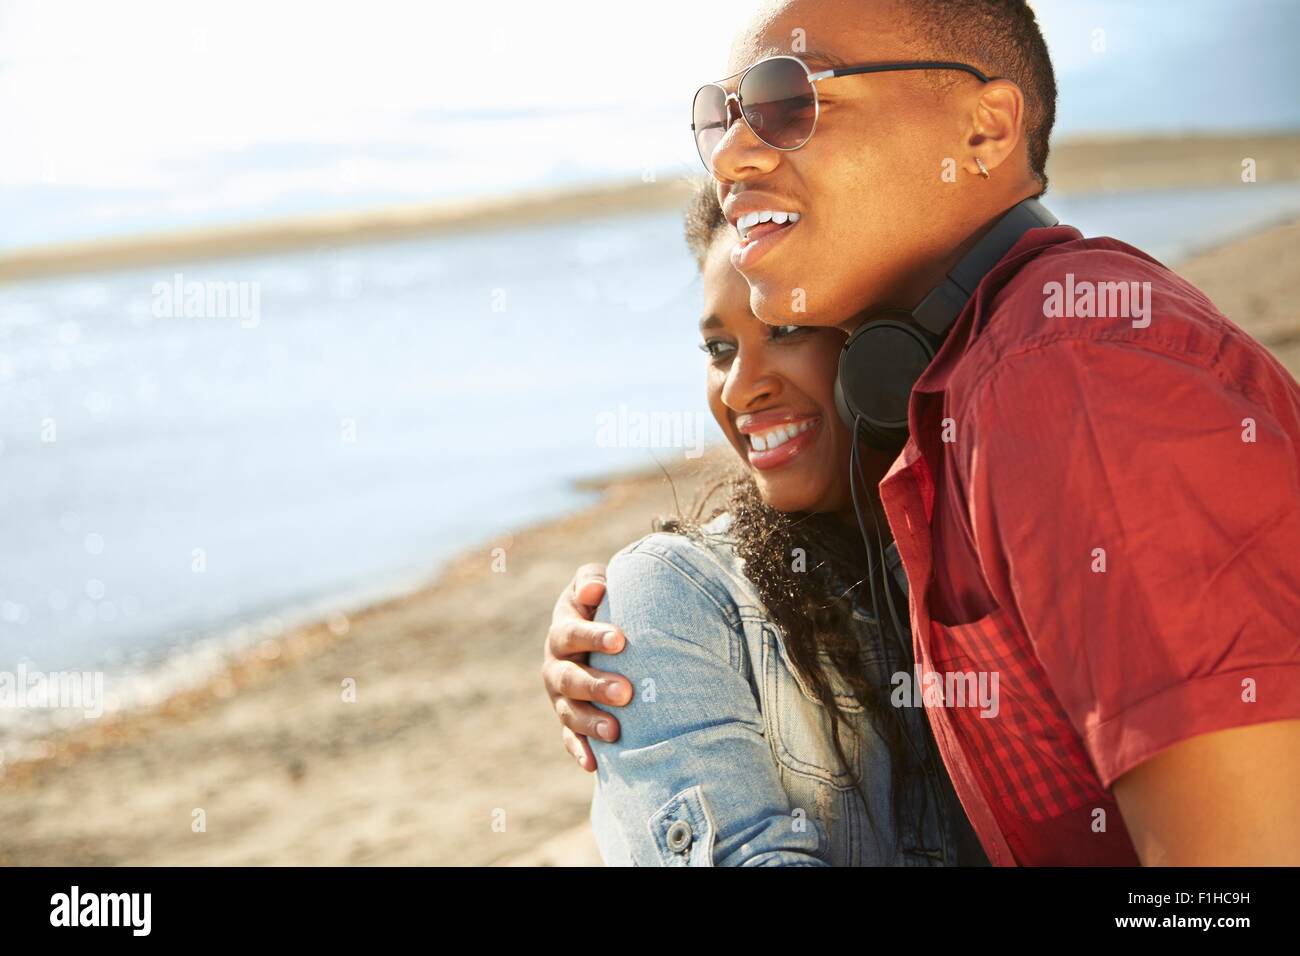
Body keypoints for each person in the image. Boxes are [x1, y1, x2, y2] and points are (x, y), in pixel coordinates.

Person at [544, 0, 1300, 865]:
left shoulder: (1064, 371)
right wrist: (657, 633)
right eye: (719, 115)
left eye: (790, 98)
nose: (729, 153)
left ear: (984, 131)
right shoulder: (983, 398)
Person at [586, 184, 984, 865]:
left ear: (885, 344)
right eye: (718, 348)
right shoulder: (675, 594)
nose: (740, 388)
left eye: (787, 329)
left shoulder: (997, 543)